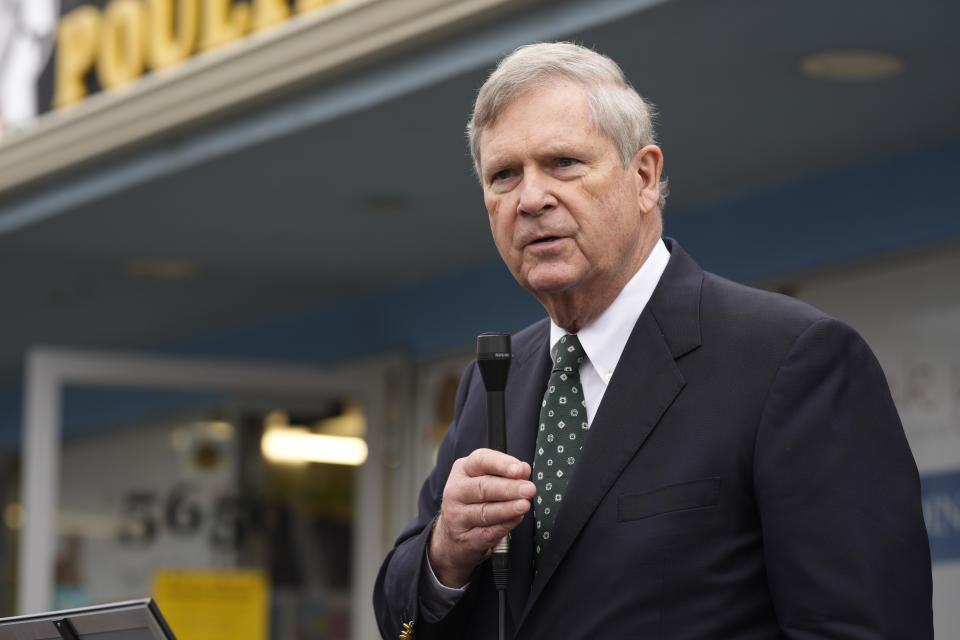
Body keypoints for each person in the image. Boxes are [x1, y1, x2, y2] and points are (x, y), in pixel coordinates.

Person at [373, 42, 933, 639]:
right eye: (504, 175)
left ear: (644, 177)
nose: (531, 199)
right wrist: (446, 552)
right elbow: (401, 618)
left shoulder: (790, 359)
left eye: (563, 162)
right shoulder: (492, 384)